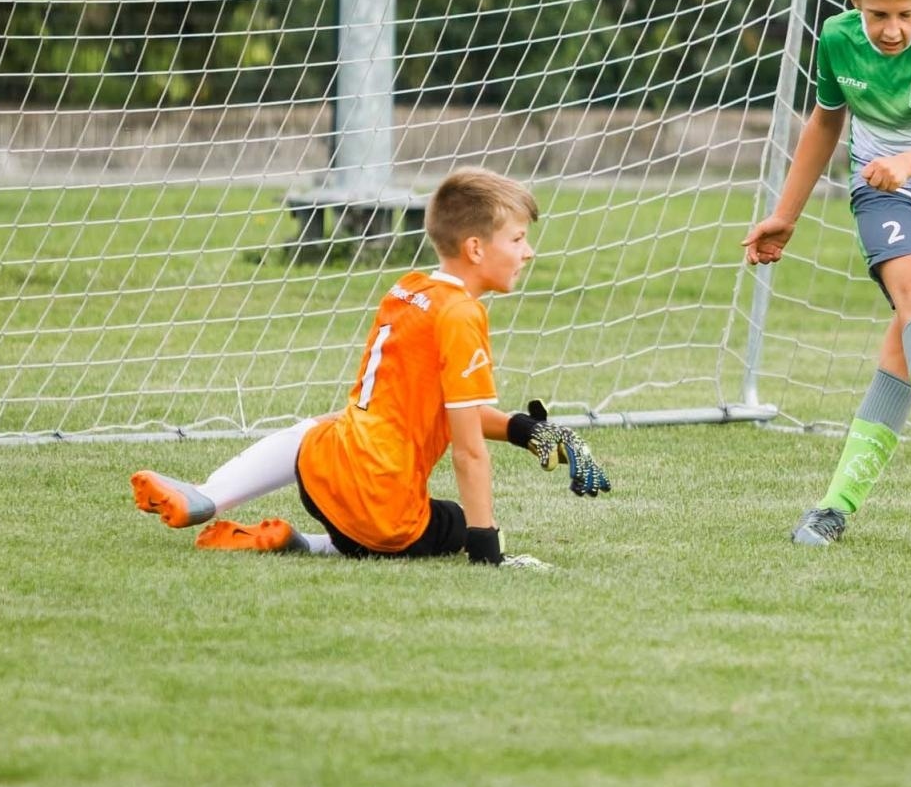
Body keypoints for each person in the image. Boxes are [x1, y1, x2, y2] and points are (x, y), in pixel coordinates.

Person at [131, 168, 612, 566]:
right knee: (450, 525)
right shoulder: (462, 314)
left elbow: (436, 404)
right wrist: (489, 549)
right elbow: (467, 450)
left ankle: (214, 497)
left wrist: (525, 430)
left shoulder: (409, 289)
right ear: (476, 248)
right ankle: (315, 543)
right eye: (518, 238)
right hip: (381, 506)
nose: (528, 251)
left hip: (324, 469)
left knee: (324, 427)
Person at [743, 0, 911, 546]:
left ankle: (834, 507)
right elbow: (825, 124)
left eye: (907, 14)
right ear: (856, 1)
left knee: (903, 350)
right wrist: (786, 215)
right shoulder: (836, 40)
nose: (893, 29)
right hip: (881, 194)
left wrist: (909, 161)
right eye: (879, 14)